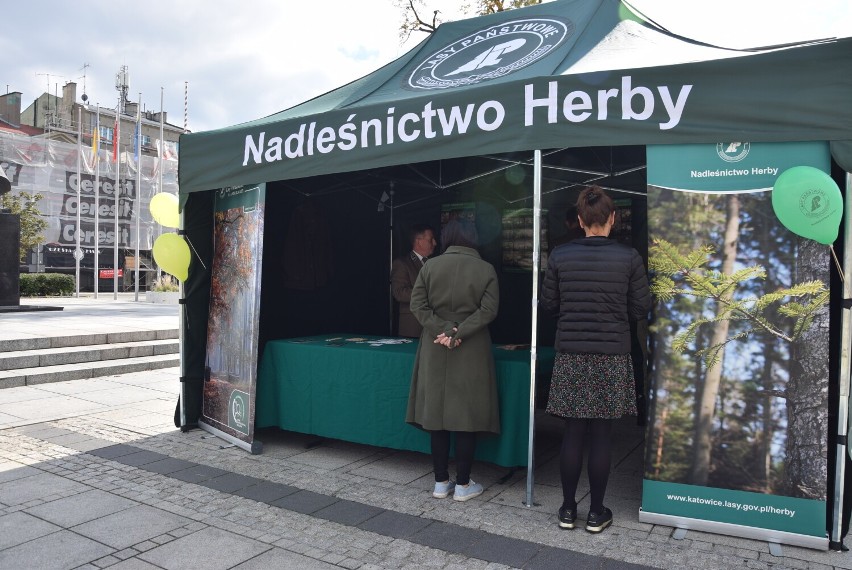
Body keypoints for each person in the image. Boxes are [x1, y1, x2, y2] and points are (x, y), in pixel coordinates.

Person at [541, 185, 651, 533]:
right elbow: (641, 307)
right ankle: (597, 512)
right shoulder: (629, 257)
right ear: (612, 219)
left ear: (579, 219)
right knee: (602, 433)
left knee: (573, 431)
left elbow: (549, 306)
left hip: (571, 353)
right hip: (611, 355)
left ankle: (567, 509)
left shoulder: (559, 255)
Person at [406, 218, 500, 502]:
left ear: (447, 238)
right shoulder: (486, 269)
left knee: (437, 416)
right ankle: (462, 485)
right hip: (470, 347)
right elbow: (489, 310)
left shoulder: (430, 266)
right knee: (465, 417)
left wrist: (442, 330)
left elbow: (416, 305)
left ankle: (439, 483)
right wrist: (459, 331)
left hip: (435, 346)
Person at [391, 223, 437, 337]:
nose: (435, 243)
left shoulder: (435, 263)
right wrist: (428, 293)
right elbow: (399, 293)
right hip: (413, 326)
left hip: (435, 325)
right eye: (431, 240)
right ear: (419, 241)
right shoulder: (402, 263)